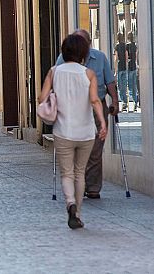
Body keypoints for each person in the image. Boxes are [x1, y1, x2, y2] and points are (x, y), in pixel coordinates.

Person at [40, 34, 107, 229]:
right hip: (85, 131)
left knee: (67, 173)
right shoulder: (88, 74)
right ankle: (77, 213)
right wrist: (102, 123)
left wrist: (53, 97)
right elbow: (95, 100)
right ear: (84, 53)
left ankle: (70, 203)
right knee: (80, 173)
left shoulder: (54, 72)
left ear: (64, 51)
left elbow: (41, 97)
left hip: (62, 130)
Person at [55, 29, 119, 199]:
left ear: (89, 44)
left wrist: (115, 101)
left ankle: (92, 188)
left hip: (96, 107)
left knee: (95, 150)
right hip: (72, 108)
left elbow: (110, 82)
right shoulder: (63, 59)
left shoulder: (100, 58)